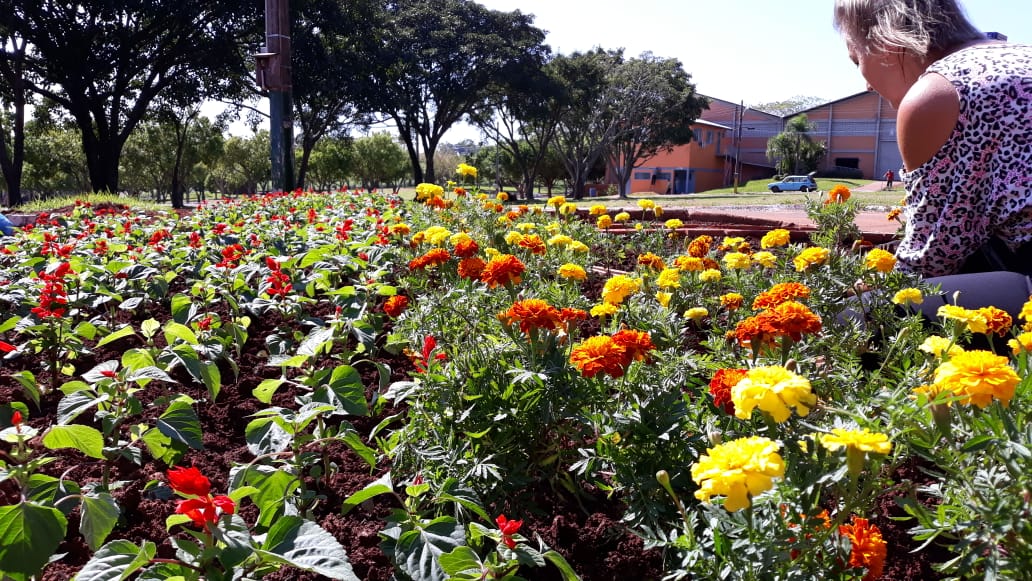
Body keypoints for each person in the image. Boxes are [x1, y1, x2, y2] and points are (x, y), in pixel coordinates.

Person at [834, 0, 1032, 321]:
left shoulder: (941, 91)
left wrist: (867, 285)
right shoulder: (1014, 56)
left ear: (886, 42)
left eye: (857, 59)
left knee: (856, 318)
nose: (866, 83)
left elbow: (933, 258)